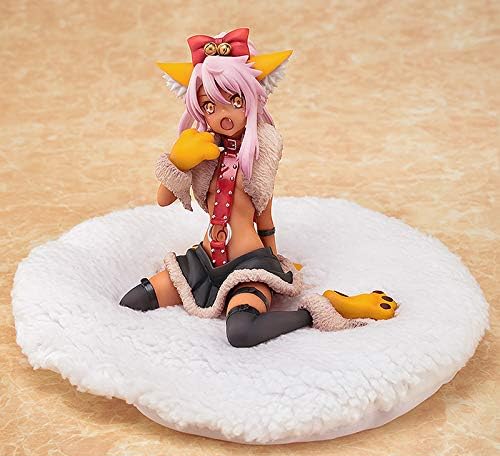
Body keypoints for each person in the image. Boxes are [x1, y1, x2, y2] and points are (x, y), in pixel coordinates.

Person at [119, 28, 398, 347]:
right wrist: (179, 161)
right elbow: (163, 199)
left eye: (234, 101)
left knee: (241, 333)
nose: (223, 115)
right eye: (210, 106)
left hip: (249, 267)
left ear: (251, 99)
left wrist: (275, 262)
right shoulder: (199, 148)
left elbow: (264, 217)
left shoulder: (260, 152)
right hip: (204, 261)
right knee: (134, 300)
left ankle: (322, 309)